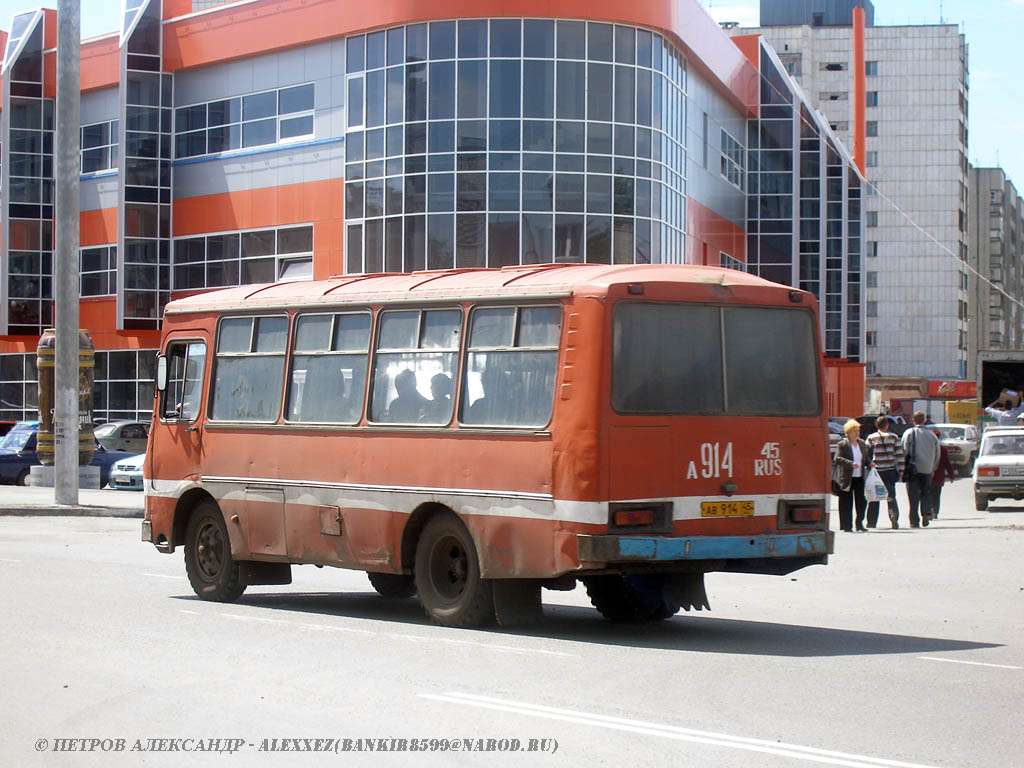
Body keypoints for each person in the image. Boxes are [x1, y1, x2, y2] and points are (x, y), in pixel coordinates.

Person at [901, 411, 941, 528]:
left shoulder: (909, 433)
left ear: (913, 420)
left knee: (913, 495)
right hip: (927, 469)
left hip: (913, 469)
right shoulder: (932, 435)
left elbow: (904, 450)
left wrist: (903, 467)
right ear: (924, 421)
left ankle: (914, 520)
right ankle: (926, 514)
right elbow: (937, 454)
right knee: (926, 492)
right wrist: (933, 467)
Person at [865, 415, 904, 529]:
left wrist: (868, 464)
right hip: (890, 470)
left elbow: (865, 452)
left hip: (876, 471)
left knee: (874, 497)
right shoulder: (893, 437)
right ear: (887, 425)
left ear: (877, 425)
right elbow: (900, 455)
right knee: (891, 496)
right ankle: (893, 516)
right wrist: (901, 470)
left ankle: (871, 522)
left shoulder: (872, 437)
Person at [833, 419, 871, 532]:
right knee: (846, 503)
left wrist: (870, 464)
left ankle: (859, 523)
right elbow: (837, 459)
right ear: (848, 432)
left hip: (859, 477)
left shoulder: (862, 444)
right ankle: (846, 525)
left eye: (858, 431)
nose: (857, 433)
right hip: (847, 478)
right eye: (854, 431)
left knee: (862, 501)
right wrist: (850, 464)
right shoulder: (843, 444)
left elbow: (865, 458)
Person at [928, 429, 956, 520]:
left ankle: (930, 510)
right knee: (937, 494)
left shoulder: (927, 448)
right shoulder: (942, 449)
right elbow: (948, 463)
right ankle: (935, 512)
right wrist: (951, 475)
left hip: (929, 474)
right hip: (939, 476)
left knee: (928, 493)